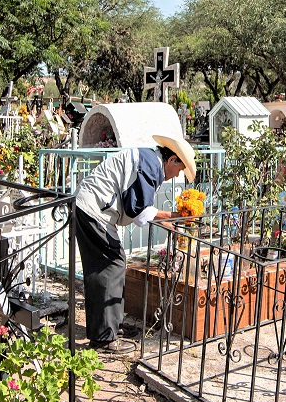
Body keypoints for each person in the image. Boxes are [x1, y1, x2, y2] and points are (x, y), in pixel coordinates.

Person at [74, 134, 197, 352]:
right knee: (110, 267)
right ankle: (104, 337)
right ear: (171, 160)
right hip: (94, 209)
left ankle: (111, 325)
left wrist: (169, 218)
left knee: (111, 266)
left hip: (94, 208)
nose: (177, 175)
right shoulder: (150, 164)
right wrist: (173, 215)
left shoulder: (150, 162)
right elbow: (137, 209)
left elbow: (138, 207)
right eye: (179, 169)